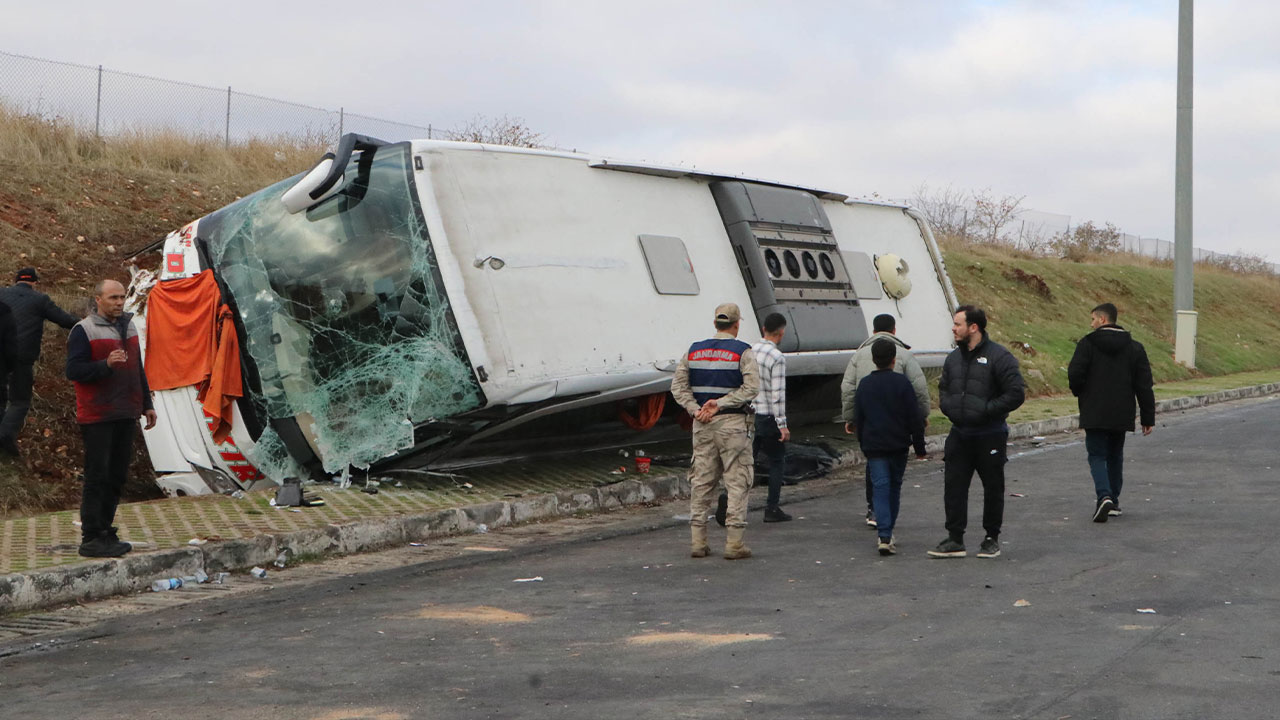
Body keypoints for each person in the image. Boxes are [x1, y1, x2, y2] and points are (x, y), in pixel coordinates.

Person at [66, 280, 156, 558]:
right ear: (98, 300)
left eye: (122, 297)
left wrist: (147, 403)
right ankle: (91, 536)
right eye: (113, 297)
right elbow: (74, 370)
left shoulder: (129, 326)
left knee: (116, 476)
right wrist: (105, 365)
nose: (119, 302)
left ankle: (105, 531)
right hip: (98, 414)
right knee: (98, 476)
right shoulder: (84, 330)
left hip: (126, 411)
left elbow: (137, 368)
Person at [928, 305, 1025, 559]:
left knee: (993, 487)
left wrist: (986, 410)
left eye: (958, 324)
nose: (953, 328)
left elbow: (1016, 393)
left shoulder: (1000, 357)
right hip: (959, 434)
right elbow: (944, 388)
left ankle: (991, 538)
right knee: (954, 486)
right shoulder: (953, 358)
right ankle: (955, 538)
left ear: (974, 327)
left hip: (990, 434)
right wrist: (949, 407)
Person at [671, 302, 760, 560]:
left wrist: (695, 409)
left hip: (702, 424)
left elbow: (678, 387)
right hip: (732, 423)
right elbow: (750, 389)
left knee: (701, 482)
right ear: (736, 324)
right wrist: (719, 404)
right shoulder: (743, 351)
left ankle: (698, 542)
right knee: (737, 480)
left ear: (714, 323)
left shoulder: (694, 350)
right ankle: (734, 544)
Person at [1067, 302, 1155, 522]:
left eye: (1093, 319)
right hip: (1122, 411)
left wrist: (1080, 392)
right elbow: (1144, 385)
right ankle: (1114, 500)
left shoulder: (1087, 344)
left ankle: (1103, 495)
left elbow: (1075, 373)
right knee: (1115, 454)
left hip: (1094, 409)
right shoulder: (1135, 348)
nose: (1091, 323)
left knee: (1097, 455)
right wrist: (1147, 417)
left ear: (1103, 320)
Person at [841, 313, 930, 529]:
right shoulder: (905, 356)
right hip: (897, 426)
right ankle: (887, 520)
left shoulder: (859, 355)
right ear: (894, 330)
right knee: (893, 478)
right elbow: (919, 388)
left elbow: (848, 388)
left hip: (870, 425)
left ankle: (874, 508)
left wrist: (850, 418)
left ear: (872, 331)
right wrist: (922, 415)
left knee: (875, 468)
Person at [852, 339, 927, 556]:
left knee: (880, 487)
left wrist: (863, 442)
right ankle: (888, 530)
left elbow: (860, 417)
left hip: (874, 446)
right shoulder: (902, 384)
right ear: (894, 360)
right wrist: (920, 447)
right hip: (898, 444)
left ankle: (883, 533)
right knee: (894, 487)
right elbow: (915, 418)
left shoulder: (865, 385)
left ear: (873, 360)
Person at [0, 267, 80, 456]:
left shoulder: (2, 294)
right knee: (19, 401)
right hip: (23, 357)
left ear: (15, 280)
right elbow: (65, 320)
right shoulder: (40, 300)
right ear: (35, 282)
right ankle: (4, 435)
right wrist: (86, 323)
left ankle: (4, 441)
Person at [752, 312, 792, 522]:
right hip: (769, 417)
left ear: (763, 329)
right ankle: (772, 508)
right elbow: (778, 394)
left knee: (745, 463)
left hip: (750, 415)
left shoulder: (749, 351)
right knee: (777, 461)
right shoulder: (776, 357)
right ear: (781, 332)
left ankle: (729, 501)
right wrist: (782, 425)